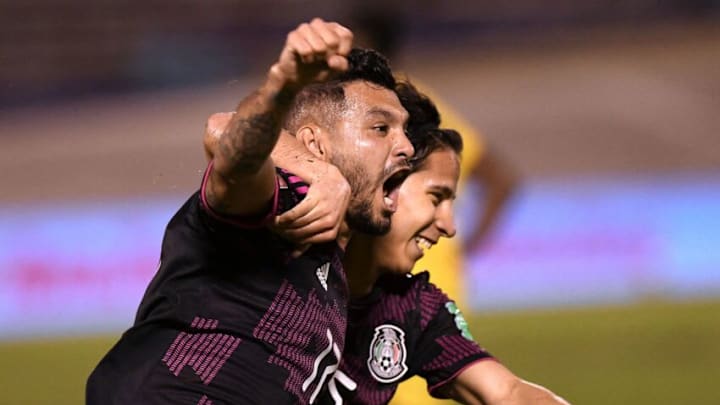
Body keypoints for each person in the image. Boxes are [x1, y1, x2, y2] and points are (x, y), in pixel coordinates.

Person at [87, 18, 414, 404]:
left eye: (404, 130)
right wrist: (285, 84)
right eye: (381, 128)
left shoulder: (333, 278)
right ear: (315, 144)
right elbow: (234, 148)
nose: (406, 146)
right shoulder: (279, 202)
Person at [205, 81, 569, 404]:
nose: (448, 226)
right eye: (436, 197)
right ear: (388, 185)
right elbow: (226, 131)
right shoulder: (281, 236)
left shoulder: (412, 310)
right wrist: (322, 175)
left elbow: (506, 392)